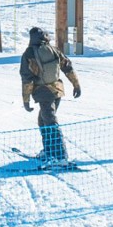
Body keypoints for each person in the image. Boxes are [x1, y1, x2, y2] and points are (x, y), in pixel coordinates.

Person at [20, 26, 82, 167]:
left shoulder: (29, 54)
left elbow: (27, 79)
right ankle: (50, 151)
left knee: (50, 122)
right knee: (43, 120)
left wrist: (26, 100)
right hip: (57, 91)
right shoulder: (53, 49)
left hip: (43, 92)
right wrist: (76, 84)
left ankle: (60, 156)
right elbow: (67, 67)